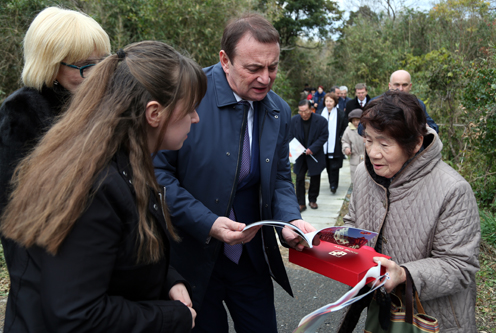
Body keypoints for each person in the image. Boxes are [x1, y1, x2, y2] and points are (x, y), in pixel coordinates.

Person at [0, 40, 206, 332]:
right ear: (154, 113)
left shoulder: (125, 159)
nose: (196, 119)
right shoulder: (94, 187)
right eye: (191, 109)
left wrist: (168, 280)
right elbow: (78, 313)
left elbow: (115, 255)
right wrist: (171, 318)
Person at [153, 13, 317, 333]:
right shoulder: (187, 96)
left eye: (273, 67)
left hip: (250, 256)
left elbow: (281, 177)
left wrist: (290, 220)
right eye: (253, 68)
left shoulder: (277, 110)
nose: (266, 79)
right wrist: (207, 222)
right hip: (192, 257)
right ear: (225, 60)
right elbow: (157, 176)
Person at [338, 90, 480, 333]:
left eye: (384, 144)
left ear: (414, 144)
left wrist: (404, 274)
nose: (373, 153)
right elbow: (355, 224)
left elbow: (460, 266)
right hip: (382, 310)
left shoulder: (453, 189)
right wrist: (324, 240)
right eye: (369, 140)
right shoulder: (365, 174)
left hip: (433, 320)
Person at [0, 7, 111, 293]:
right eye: (85, 65)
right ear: (50, 64)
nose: (96, 75)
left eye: (102, 63)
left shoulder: (95, 105)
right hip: (50, 276)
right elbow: (16, 212)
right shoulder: (21, 113)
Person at [289, 100, 328, 211]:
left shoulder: (321, 121)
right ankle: (301, 202)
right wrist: (298, 147)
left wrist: (312, 148)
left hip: (314, 153)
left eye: (305, 111)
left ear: (311, 109)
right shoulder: (294, 120)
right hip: (299, 154)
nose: (303, 114)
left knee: (315, 177)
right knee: (299, 177)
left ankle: (313, 200)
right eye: (300, 111)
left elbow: (324, 136)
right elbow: (289, 135)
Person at [320, 92, 348, 194]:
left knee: (334, 166)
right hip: (323, 144)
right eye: (327, 101)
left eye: (331, 101)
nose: (328, 103)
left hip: (335, 144)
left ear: (335, 102)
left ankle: (334, 185)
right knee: (327, 165)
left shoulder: (340, 114)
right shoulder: (320, 113)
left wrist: (340, 138)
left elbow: (345, 127)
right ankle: (330, 181)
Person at [341, 108, 364, 181]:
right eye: (354, 120)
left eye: (358, 120)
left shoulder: (367, 128)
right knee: (355, 179)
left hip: (366, 158)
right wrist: (346, 148)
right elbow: (345, 141)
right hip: (355, 158)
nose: (356, 122)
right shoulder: (348, 130)